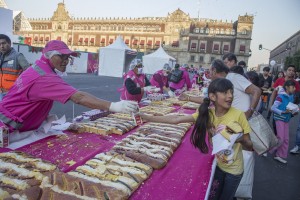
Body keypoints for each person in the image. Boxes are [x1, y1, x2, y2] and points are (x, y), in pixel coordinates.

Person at [140, 78, 253, 200]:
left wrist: (237, 137)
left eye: (231, 92)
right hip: (218, 165)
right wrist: (146, 117)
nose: (230, 96)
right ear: (212, 97)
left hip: (234, 170)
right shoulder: (208, 114)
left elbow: (249, 146)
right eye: (225, 92)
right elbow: (176, 119)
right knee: (213, 196)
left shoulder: (238, 115)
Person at [0, 40, 138, 134]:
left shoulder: (39, 67)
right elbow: (79, 97)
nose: (66, 61)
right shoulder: (44, 76)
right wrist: (114, 106)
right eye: (62, 56)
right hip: (9, 126)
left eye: (68, 57)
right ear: (49, 56)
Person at [223, 53, 261, 119]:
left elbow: (256, 91)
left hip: (242, 117)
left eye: (226, 63)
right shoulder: (233, 75)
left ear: (233, 61)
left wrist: (250, 111)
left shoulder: (235, 75)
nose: (224, 65)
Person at [271, 80, 296, 163]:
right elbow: (273, 108)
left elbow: (289, 107)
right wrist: (282, 112)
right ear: (287, 87)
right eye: (293, 87)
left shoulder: (291, 96)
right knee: (281, 139)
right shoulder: (280, 97)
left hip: (286, 119)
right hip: (279, 119)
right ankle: (267, 150)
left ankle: (279, 155)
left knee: (286, 139)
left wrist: (294, 112)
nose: (294, 88)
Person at [0, 34, 30, 100]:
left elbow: (29, 72)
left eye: (3, 43)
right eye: (0, 44)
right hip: (1, 92)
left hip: (12, 94)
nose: (1, 46)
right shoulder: (1, 56)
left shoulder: (18, 56)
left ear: (9, 43)